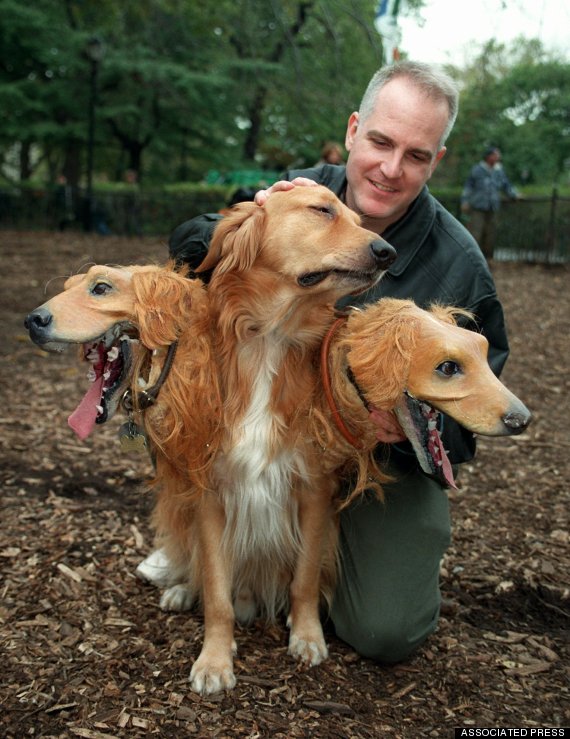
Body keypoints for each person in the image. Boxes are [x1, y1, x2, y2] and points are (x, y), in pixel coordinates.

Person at [143, 61, 509, 665]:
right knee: (178, 408)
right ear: (353, 130)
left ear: (437, 161)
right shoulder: (300, 192)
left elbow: (473, 415)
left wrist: (413, 430)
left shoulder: (460, 268)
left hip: (381, 461)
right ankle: (205, 560)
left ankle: (315, 576)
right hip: (269, 412)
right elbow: (195, 248)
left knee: (386, 631)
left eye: (416, 156)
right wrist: (249, 215)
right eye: (381, 142)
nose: (392, 169)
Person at [461, 146, 519, 260]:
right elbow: (468, 186)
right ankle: (473, 259)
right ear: (489, 157)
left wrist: (514, 194)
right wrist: (465, 201)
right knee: (476, 232)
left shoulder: (498, 170)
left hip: (493, 206)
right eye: (496, 155)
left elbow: (506, 185)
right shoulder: (477, 169)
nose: (498, 157)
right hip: (478, 207)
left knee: (491, 234)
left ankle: (488, 259)